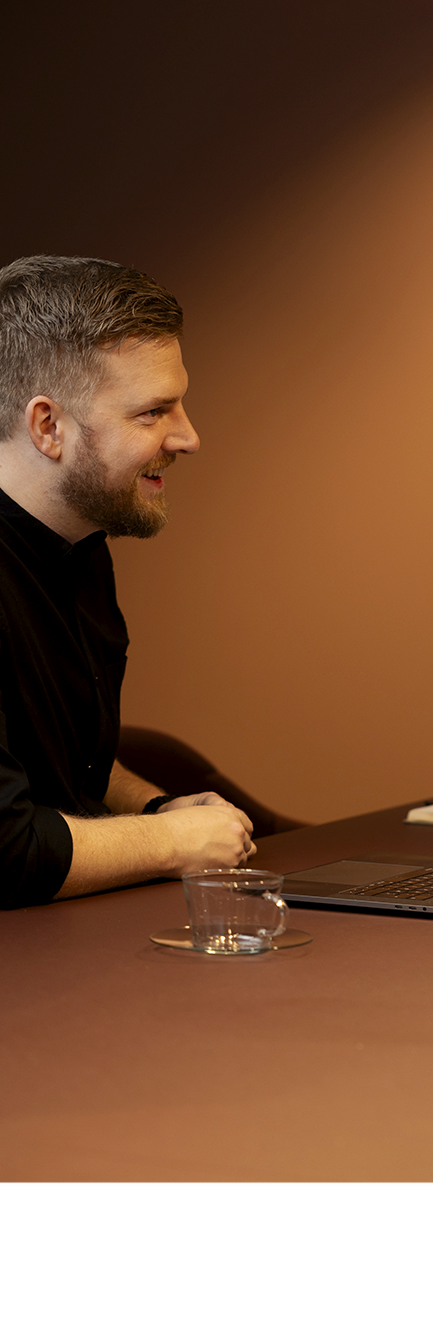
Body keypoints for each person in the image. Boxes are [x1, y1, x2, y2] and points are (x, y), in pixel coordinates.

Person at [0, 255, 256, 909]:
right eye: (152, 412)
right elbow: (5, 851)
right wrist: (171, 840)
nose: (189, 436)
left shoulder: (80, 543)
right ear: (47, 427)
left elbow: (61, 763)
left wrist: (158, 807)